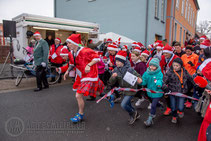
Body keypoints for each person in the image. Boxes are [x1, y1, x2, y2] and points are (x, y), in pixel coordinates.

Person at [63, 34, 104, 123]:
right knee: (96, 92)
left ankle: (80, 114)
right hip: (81, 75)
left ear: (75, 43)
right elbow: (72, 64)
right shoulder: (71, 53)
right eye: (67, 43)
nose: (67, 45)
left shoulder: (86, 51)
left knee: (78, 95)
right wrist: (67, 71)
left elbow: (97, 58)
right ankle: (110, 96)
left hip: (90, 74)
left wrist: (89, 64)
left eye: (69, 43)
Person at [108, 51, 142, 125]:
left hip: (131, 90)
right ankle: (136, 114)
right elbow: (111, 82)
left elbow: (138, 76)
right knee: (128, 104)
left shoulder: (129, 69)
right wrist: (113, 77)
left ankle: (133, 113)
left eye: (118, 61)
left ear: (123, 61)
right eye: (116, 61)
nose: (116, 63)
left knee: (123, 105)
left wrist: (139, 79)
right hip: (124, 91)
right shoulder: (116, 70)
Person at [162, 58, 196, 123]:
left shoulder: (184, 71)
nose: (175, 67)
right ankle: (174, 116)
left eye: (177, 66)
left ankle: (180, 111)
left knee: (181, 106)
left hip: (182, 92)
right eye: (174, 65)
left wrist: (195, 84)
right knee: (173, 106)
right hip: (172, 92)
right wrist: (165, 88)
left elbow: (190, 78)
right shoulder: (170, 72)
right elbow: (164, 81)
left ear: (181, 66)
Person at [140, 58, 163, 127]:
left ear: (157, 66)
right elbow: (144, 81)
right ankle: (160, 105)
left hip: (157, 92)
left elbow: (160, 79)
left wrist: (159, 84)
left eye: (154, 66)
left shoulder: (159, 73)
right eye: (151, 65)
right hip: (149, 92)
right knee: (154, 103)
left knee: (153, 105)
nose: (152, 67)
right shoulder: (146, 73)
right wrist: (140, 82)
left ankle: (150, 118)